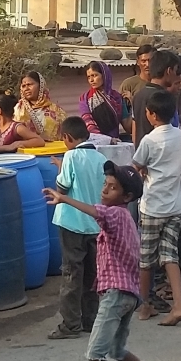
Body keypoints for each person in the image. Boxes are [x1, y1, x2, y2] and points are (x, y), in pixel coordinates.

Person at [43, 163, 176, 361]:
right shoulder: (124, 217)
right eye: (105, 184)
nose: (105, 190)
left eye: (112, 187)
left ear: (127, 197)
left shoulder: (115, 214)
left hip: (116, 293)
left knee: (95, 354)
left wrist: (64, 198)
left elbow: (97, 212)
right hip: (126, 293)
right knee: (116, 350)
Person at [133, 91, 181, 326]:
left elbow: (136, 165)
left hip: (153, 206)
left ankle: (145, 304)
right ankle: (178, 305)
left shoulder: (149, 140)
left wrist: (144, 171)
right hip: (175, 205)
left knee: (146, 259)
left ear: (152, 115)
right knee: (170, 256)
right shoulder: (179, 135)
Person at [47, 117, 104, 340]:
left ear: (68, 138)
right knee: (91, 275)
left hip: (72, 224)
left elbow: (63, 186)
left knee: (71, 273)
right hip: (94, 224)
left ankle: (70, 324)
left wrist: (61, 167)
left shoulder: (70, 156)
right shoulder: (100, 157)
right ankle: (90, 319)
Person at [131, 50, 179, 146]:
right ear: (169, 71)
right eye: (176, 71)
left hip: (142, 153)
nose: (177, 76)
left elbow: (135, 130)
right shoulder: (164, 98)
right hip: (160, 154)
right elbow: (170, 131)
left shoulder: (138, 95)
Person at [80, 61, 132, 138]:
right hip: (95, 143)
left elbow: (128, 127)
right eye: (88, 77)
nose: (91, 80)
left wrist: (133, 103)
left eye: (94, 75)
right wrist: (106, 140)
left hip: (115, 144)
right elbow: (88, 123)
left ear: (104, 75)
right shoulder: (85, 98)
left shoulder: (117, 98)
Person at [15, 71, 68, 143]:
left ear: (41, 86)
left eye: (29, 84)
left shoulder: (57, 111)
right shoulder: (17, 110)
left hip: (53, 151)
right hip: (25, 152)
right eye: (23, 86)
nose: (26, 88)